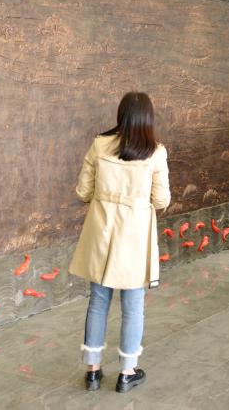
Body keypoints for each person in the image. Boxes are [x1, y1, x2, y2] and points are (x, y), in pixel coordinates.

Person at [69, 92, 171, 393]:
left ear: (121, 114)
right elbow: (161, 199)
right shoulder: (155, 152)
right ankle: (127, 372)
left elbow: (82, 191)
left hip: (101, 231)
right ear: (148, 118)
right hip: (134, 237)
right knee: (133, 305)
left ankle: (92, 371)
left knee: (98, 301)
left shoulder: (100, 144)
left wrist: (103, 200)